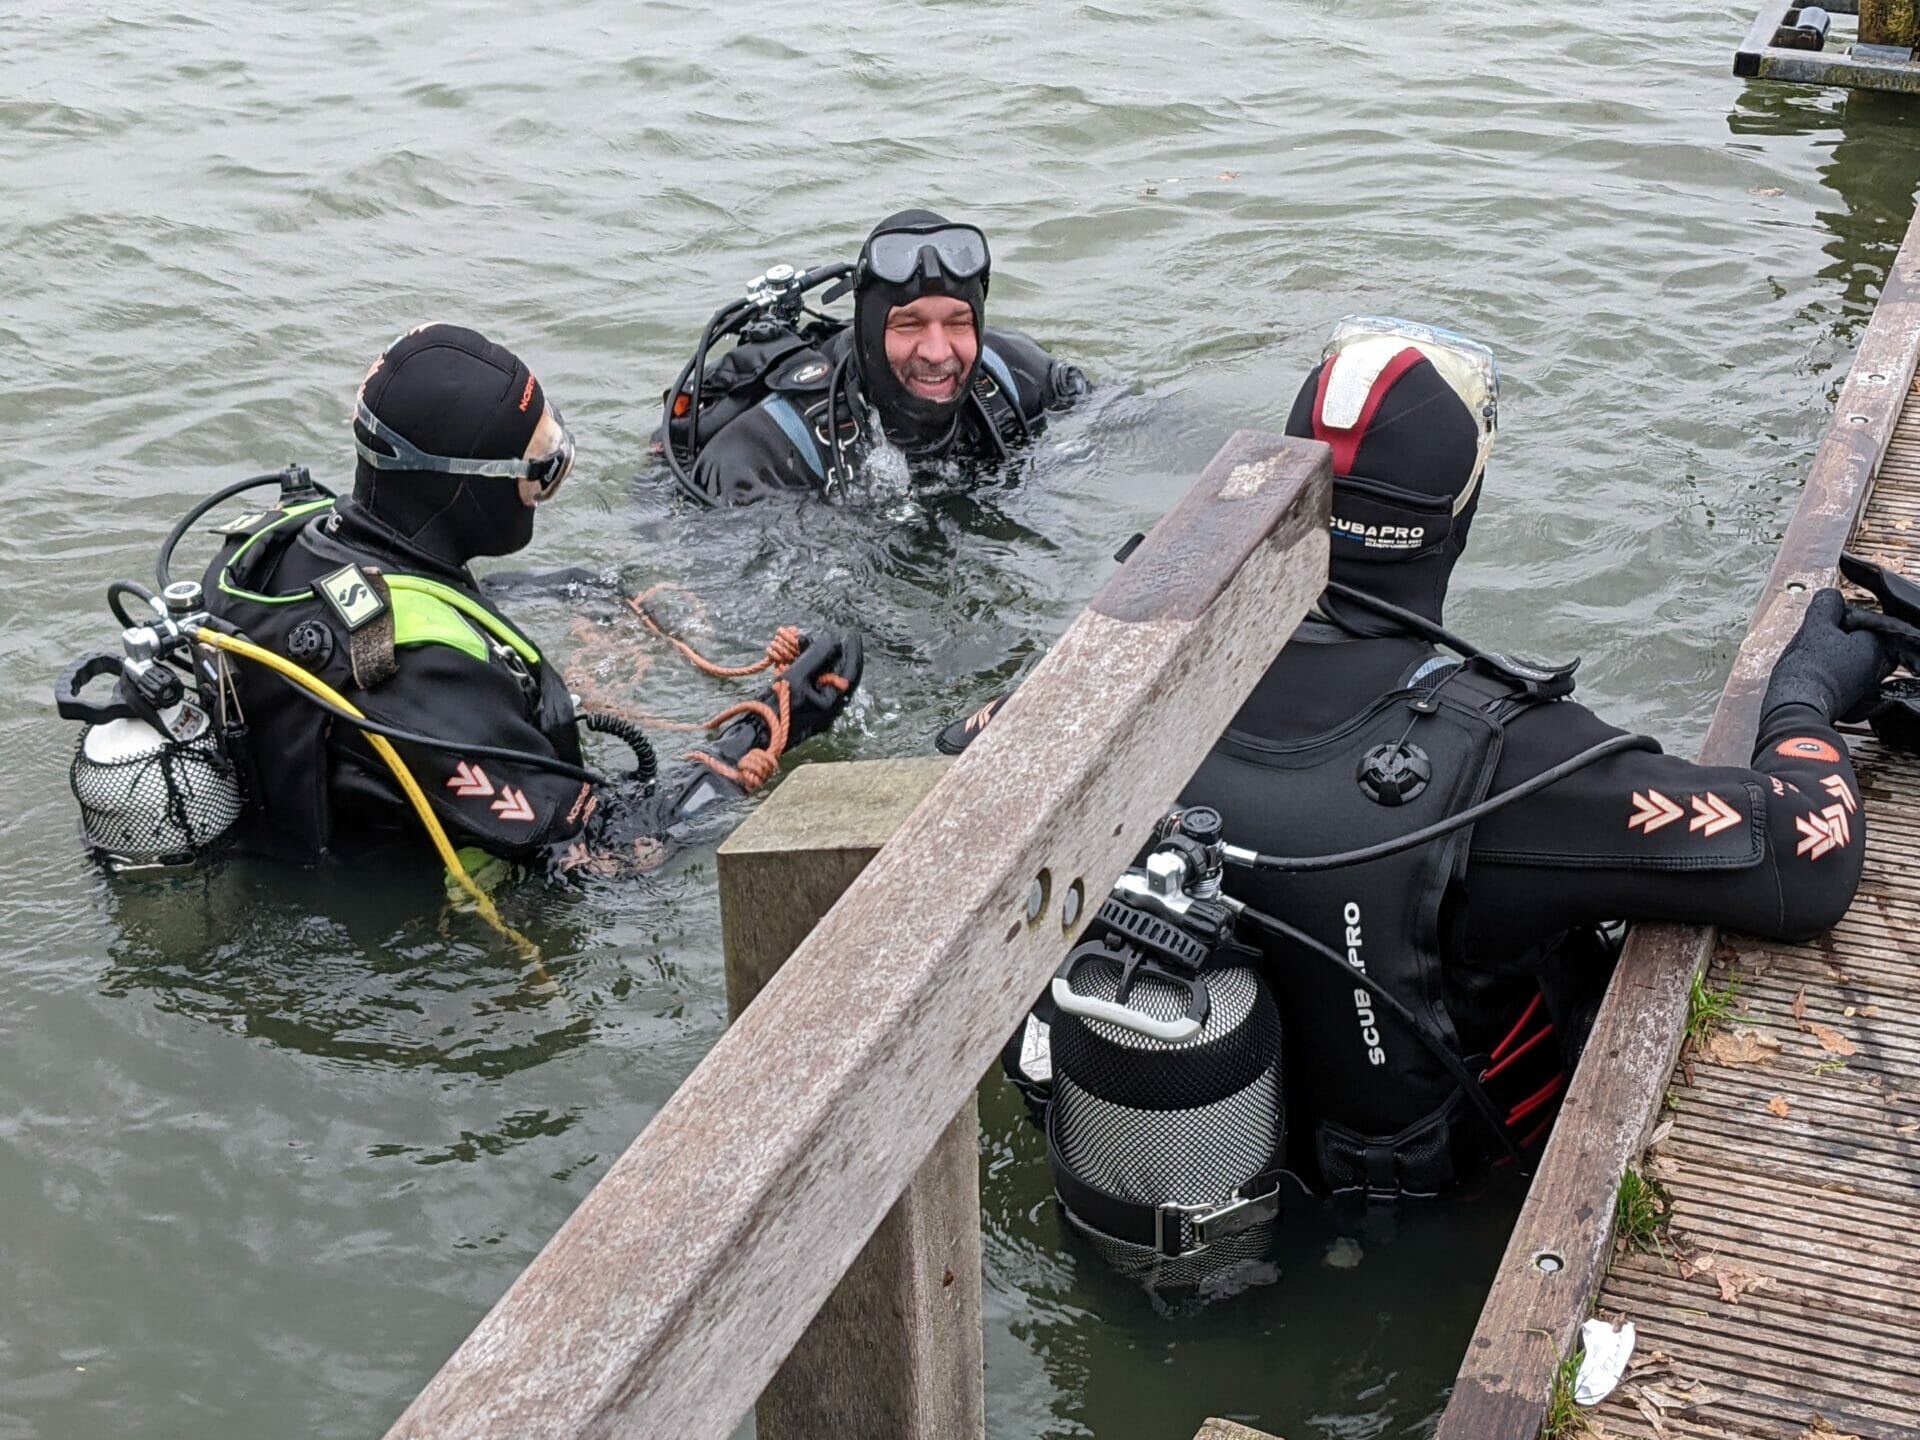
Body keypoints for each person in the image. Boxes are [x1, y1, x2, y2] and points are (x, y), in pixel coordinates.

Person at [993, 317, 1897, 1211]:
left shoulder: (1118, 684)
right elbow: (1807, 854)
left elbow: (975, 754)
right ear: (1456, 517)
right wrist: (1806, 693)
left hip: (1165, 1168)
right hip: (1418, 1215)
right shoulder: (1507, 758)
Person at [201, 323, 860, 876]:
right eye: (539, 466)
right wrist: (777, 721)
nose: (548, 478)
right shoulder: (415, 674)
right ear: (463, 489)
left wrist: (549, 589)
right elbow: (606, 856)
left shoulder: (296, 538)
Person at [665, 209, 1089, 506]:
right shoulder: (762, 456)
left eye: (958, 323)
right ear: (868, 330)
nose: (938, 352)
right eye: (908, 325)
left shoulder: (1017, 378)